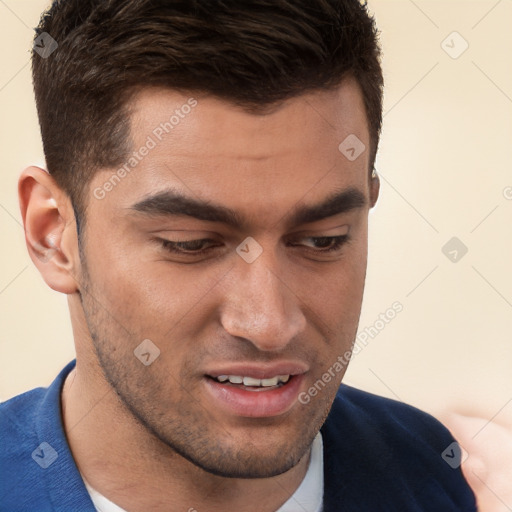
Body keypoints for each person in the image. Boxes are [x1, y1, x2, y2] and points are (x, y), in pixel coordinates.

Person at [0, 1, 477, 510]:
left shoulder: (439, 475)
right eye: (191, 245)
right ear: (52, 234)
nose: (269, 323)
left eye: (324, 239)